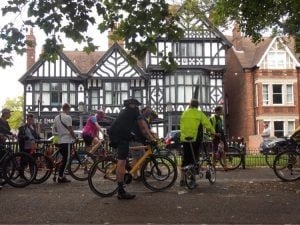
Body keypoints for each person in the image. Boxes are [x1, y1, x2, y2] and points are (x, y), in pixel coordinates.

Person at [109, 99, 156, 200]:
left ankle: (130, 171)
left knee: (125, 160)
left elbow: (124, 125)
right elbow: (143, 127)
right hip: (120, 137)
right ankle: (121, 191)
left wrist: (132, 135)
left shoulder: (125, 111)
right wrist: (151, 139)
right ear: (133, 105)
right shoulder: (134, 112)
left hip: (117, 135)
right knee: (122, 162)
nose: (137, 107)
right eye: (136, 105)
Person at [180, 99, 215, 186]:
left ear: (190, 105)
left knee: (185, 159)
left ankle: (182, 179)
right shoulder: (199, 113)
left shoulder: (184, 113)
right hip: (195, 139)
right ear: (197, 106)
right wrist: (213, 132)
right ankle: (193, 179)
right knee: (194, 159)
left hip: (185, 139)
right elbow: (207, 124)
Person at [130, 106, 157, 180]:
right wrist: (151, 139)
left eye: (150, 111)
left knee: (140, 158)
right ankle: (135, 175)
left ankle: (138, 174)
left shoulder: (143, 118)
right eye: (148, 110)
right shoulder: (140, 117)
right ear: (143, 110)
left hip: (138, 140)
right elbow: (144, 130)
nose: (149, 112)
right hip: (136, 140)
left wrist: (154, 136)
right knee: (137, 158)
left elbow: (147, 130)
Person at [53, 103, 77, 183]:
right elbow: (70, 129)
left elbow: (55, 129)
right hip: (67, 141)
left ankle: (60, 175)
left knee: (62, 159)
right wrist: (74, 137)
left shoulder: (56, 117)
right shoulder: (68, 117)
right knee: (66, 159)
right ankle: (61, 177)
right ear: (68, 109)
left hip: (60, 141)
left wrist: (61, 132)